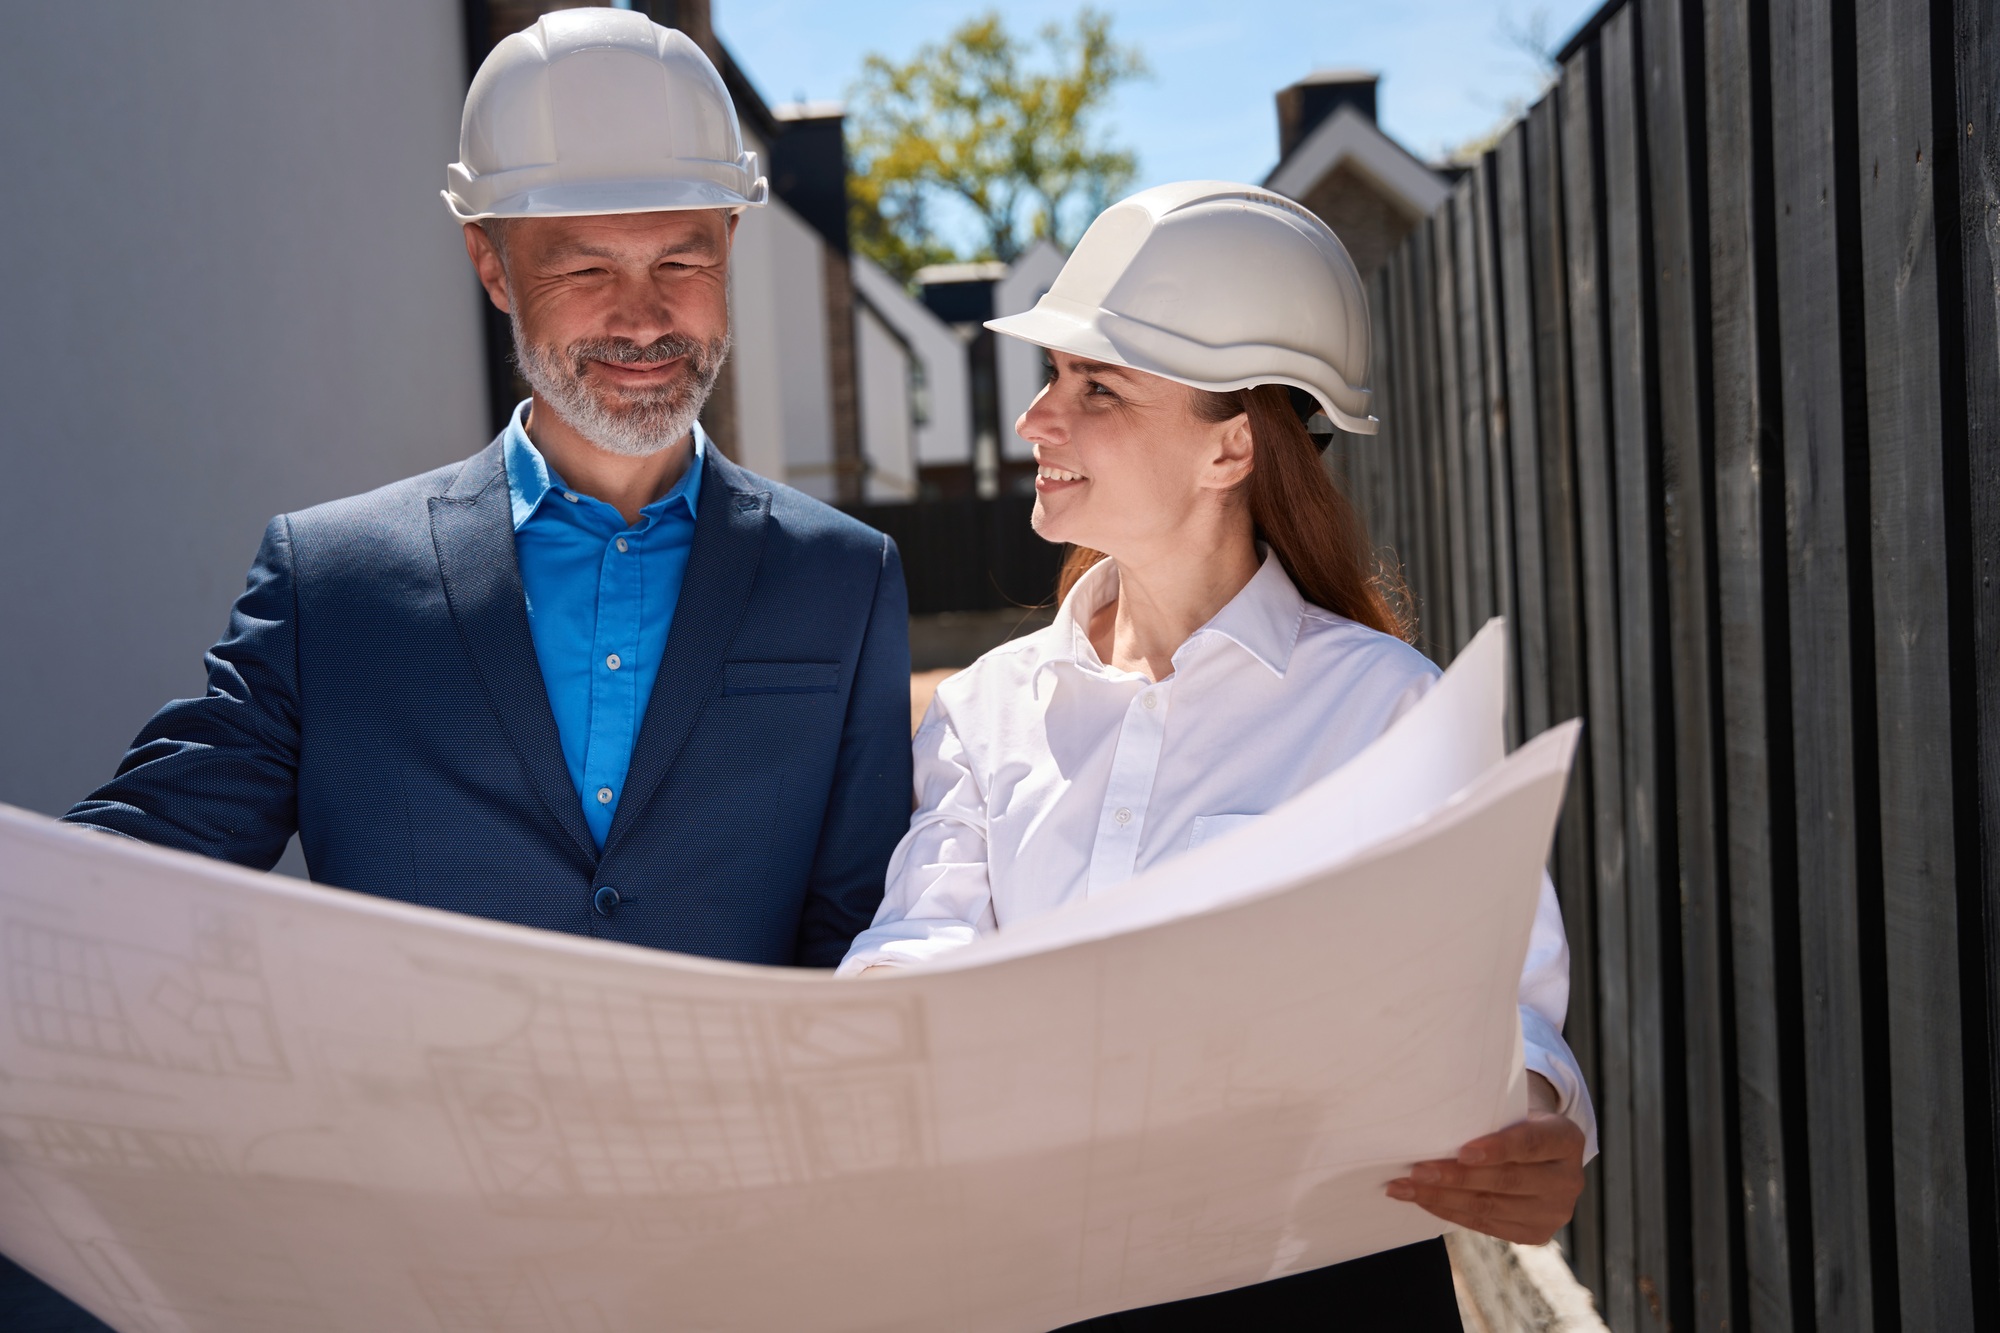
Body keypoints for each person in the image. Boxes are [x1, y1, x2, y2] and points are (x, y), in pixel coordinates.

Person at [840, 181, 1595, 1330]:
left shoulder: (1387, 711)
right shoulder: (985, 708)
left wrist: (1533, 1122)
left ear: (1230, 446)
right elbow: (917, 946)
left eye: (1095, 386)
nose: (1037, 420)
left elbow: (1506, 1020)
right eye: (1050, 378)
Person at [64, 14, 909, 974]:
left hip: (739, 1124)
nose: (643, 317)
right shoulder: (332, 587)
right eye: (587, 267)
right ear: (491, 265)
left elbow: (867, 935)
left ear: (730, 241)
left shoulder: (845, 579)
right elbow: (130, 866)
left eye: (681, 260)